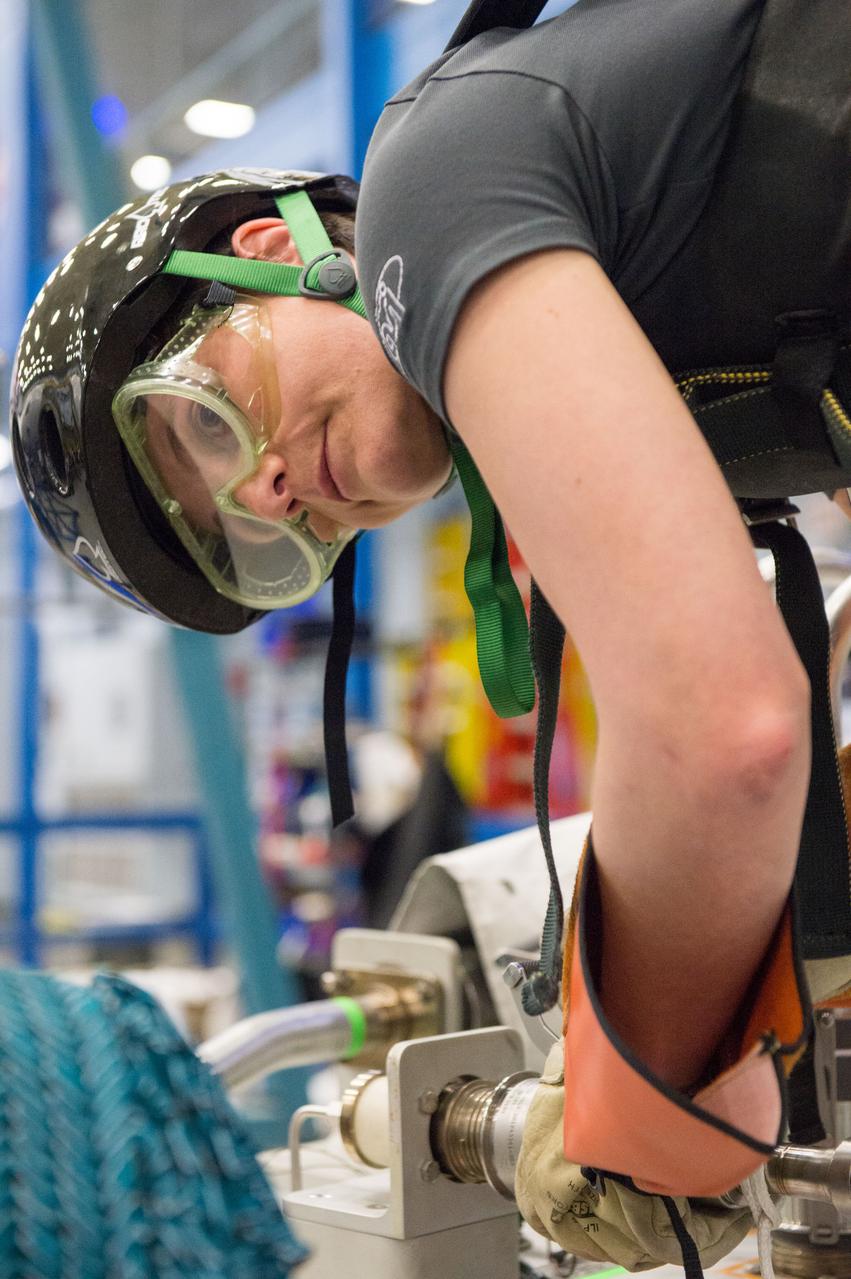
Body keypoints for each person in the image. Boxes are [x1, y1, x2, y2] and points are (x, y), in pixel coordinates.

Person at [9, 0, 851, 1253]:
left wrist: (637, 1104)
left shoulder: (432, 182)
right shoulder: (677, 343)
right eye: (247, 532)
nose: (267, 493)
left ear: (270, 247)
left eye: (200, 422)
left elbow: (721, 730)